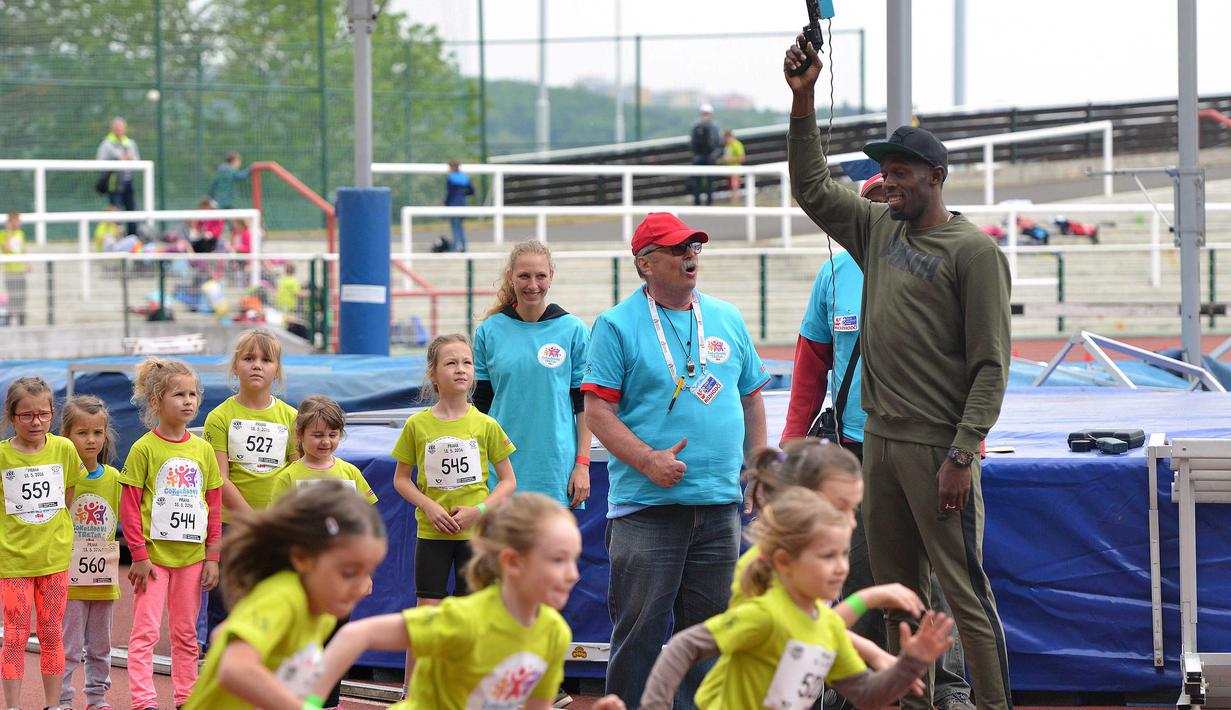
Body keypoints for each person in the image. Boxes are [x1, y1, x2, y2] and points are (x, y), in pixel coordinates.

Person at [785, 38, 1013, 710]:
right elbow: (810, 187)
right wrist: (803, 100)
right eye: (884, 172)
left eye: (903, 173)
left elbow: (991, 366)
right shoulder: (877, 229)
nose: (889, 182)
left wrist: (962, 453)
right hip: (877, 442)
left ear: (936, 177)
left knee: (963, 595)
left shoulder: (973, 252)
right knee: (896, 594)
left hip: (937, 446)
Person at [783, 173, 975, 710]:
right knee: (857, 570)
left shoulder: (942, 262)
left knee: (939, 573)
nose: (875, 215)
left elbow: (975, 363)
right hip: (857, 449)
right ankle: (855, 687)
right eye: (866, 205)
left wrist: (967, 445)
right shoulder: (833, 274)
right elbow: (811, 365)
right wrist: (792, 443)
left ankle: (948, 688)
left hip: (929, 446)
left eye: (885, 203)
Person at [582, 211, 770, 709]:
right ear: (645, 264)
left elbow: (752, 397)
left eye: (695, 247)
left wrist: (757, 467)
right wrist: (648, 461)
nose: (691, 255)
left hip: (719, 505)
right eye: (678, 248)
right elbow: (597, 411)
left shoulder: (726, 317)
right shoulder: (616, 325)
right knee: (639, 635)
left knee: (708, 637)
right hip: (647, 508)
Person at [640, 488, 956, 710]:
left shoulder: (828, 626)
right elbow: (682, 647)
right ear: (784, 562)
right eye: (827, 556)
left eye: (843, 555)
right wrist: (654, 705)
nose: (841, 567)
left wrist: (909, 666)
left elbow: (865, 694)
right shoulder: (765, 614)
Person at [314, 493, 626, 710]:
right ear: (512, 562)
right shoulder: (464, 619)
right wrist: (310, 703)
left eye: (574, 559)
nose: (572, 574)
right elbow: (355, 635)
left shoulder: (553, 632)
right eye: (558, 560)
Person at [184, 480, 386, 710]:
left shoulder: (323, 613)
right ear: (302, 559)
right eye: (349, 573)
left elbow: (222, 634)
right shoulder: (283, 597)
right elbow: (234, 668)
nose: (360, 586)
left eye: (368, 572)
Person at [391, 333, 517, 687]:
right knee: (427, 613)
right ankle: (412, 692)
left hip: (473, 536)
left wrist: (480, 509)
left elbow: (508, 482)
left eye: (467, 362)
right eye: (451, 363)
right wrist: (428, 505)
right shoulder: (417, 425)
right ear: (433, 373)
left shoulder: (486, 424)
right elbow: (401, 480)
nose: (461, 369)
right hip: (432, 534)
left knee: (470, 613)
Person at [119, 357, 223, 710]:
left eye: (193, 394)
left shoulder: (203, 449)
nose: (188, 401)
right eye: (179, 394)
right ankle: (144, 701)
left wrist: (212, 556)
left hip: (191, 559)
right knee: (145, 632)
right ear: (155, 401)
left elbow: (213, 505)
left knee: (186, 634)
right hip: (153, 560)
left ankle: (186, 698)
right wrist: (139, 555)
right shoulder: (144, 449)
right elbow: (130, 507)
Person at [474, 240, 592, 509]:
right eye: (524, 276)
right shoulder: (489, 331)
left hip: (555, 470)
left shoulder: (573, 330)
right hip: (500, 469)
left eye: (540, 276)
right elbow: (480, 407)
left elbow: (584, 405)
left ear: (551, 276)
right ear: (510, 277)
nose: (533, 284)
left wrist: (582, 464)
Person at [0, 377, 84, 710]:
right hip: (14, 561)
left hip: (54, 558)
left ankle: (54, 705)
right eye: (27, 415)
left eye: (43, 414)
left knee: (51, 632)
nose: (36, 422)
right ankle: (13, 706)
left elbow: (67, 497)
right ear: (12, 416)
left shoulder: (64, 449)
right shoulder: (2, 456)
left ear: (52, 414)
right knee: (15, 634)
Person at [59, 395, 122, 710]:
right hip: (68, 581)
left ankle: (97, 699)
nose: (91, 440)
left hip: (103, 580)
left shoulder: (114, 479)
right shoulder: (62, 478)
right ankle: (61, 699)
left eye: (97, 432)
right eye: (82, 433)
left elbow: (131, 519)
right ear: (66, 435)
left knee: (101, 647)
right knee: (68, 647)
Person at [272, 395, 377, 505]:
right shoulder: (287, 477)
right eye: (318, 435)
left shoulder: (351, 472)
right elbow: (277, 514)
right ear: (299, 435)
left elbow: (366, 509)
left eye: (332, 435)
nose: (326, 441)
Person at [95, 117, 140, 237]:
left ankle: (133, 238)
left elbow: (137, 160)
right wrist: (117, 160)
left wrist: (129, 158)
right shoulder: (107, 144)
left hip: (128, 182)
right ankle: (117, 238)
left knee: (132, 211)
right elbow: (100, 161)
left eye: (121, 128)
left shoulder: (130, 143)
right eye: (117, 128)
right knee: (115, 212)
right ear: (112, 129)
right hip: (114, 183)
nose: (119, 130)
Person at [688, 104, 722, 206]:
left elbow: (692, 143)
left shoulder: (696, 126)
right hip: (706, 158)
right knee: (702, 182)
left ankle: (704, 203)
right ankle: (703, 203)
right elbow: (718, 143)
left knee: (705, 182)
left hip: (702, 158)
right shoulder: (714, 126)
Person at [1, 211, 27, 326]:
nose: (17, 223)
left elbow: (23, 249)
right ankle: (8, 322)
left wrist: (27, 263)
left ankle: (22, 322)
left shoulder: (21, 233)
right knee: (12, 297)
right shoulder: (3, 234)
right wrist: (9, 232)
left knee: (21, 297)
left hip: (20, 270)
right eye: (15, 221)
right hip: (10, 271)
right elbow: (5, 248)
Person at [444, 160, 475, 252]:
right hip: (462, 203)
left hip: (453, 204)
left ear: (453, 167)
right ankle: (464, 247)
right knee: (460, 227)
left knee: (455, 227)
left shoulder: (451, 178)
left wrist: (446, 203)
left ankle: (454, 247)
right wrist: (463, 194)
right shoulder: (464, 178)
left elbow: (449, 193)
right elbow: (472, 191)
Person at [720, 129, 746, 204]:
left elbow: (742, 158)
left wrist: (729, 159)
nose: (726, 140)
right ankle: (733, 202)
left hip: (735, 170)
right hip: (729, 170)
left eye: (726, 138)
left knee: (735, 187)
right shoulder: (728, 145)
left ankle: (735, 202)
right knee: (731, 187)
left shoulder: (737, 144)